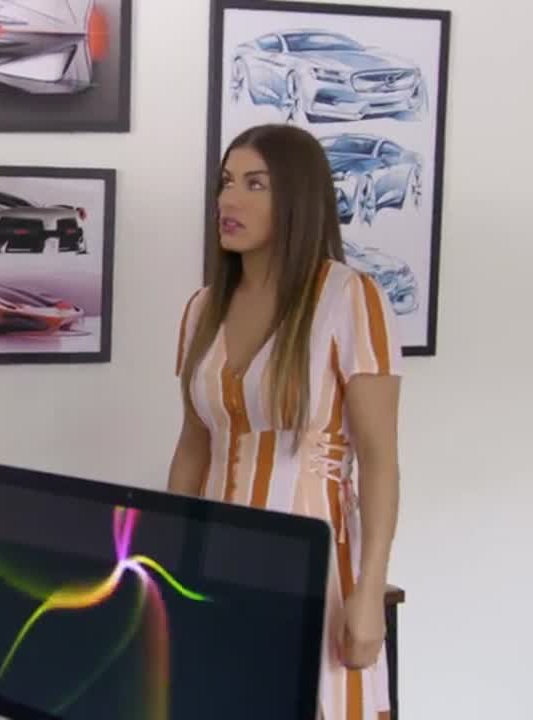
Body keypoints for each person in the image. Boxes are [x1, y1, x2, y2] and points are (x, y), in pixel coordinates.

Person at [169, 123, 401, 720]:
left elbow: (379, 461)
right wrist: (169, 559)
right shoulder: (202, 309)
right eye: (226, 182)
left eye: (256, 184)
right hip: (213, 562)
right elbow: (193, 446)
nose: (229, 200)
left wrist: (369, 592)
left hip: (314, 563)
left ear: (297, 196)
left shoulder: (350, 298)